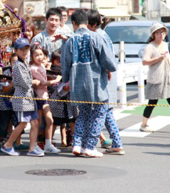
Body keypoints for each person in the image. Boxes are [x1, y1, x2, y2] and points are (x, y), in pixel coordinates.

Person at [61, 9, 116, 158]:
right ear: (86, 22)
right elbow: (109, 62)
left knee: (83, 115)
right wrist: (110, 68)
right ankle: (90, 146)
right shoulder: (97, 37)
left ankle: (77, 144)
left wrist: (66, 79)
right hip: (96, 83)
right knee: (99, 114)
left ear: (73, 23)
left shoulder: (71, 40)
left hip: (78, 85)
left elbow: (65, 66)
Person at [140, 22, 170, 134]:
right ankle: (143, 124)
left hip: (167, 79)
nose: (161, 34)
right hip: (155, 79)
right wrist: (158, 58)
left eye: (162, 32)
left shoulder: (165, 45)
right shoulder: (150, 47)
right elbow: (144, 62)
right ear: (153, 34)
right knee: (152, 103)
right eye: (158, 32)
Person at [86, 10, 125, 155]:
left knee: (102, 112)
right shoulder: (103, 35)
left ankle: (91, 144)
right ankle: (117, 142)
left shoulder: (98, 36)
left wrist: (107, 72)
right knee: (107, 112)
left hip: (104, 77)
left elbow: (105, 59)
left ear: (92, 24)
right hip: (107, 76)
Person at [1, 37, 43, 157]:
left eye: (26, 49)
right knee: (23, 124)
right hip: (22, 100)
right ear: (16, 50)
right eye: (22, 49)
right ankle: (8, 145)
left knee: (34, 122)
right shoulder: (18, 65)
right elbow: (25, 83)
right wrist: (34, 82)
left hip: (29, 99)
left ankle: (32, 148)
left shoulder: (23, 62)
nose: (25, 52)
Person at [30, 44, 62, 153]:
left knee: (50, 120)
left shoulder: (41, 66)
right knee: (37, 123)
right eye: (36, 55)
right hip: (38, 98)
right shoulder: (33, 68)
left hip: (44, 97)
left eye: (41, 54)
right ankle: (34, 145)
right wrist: (56, 80)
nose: (39, 57)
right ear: (32, 57)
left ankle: (48, 144)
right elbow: (44, 83)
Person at [48, 50, 78, 147]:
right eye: (58, 61)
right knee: (55, 122)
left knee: (73, 121)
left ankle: (75, 142)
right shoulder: (51, 72)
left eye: (62, 61)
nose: (60, 63)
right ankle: (49, 142)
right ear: (53, 61)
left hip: (69, 101)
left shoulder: (68, 70)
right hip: (57, 101)